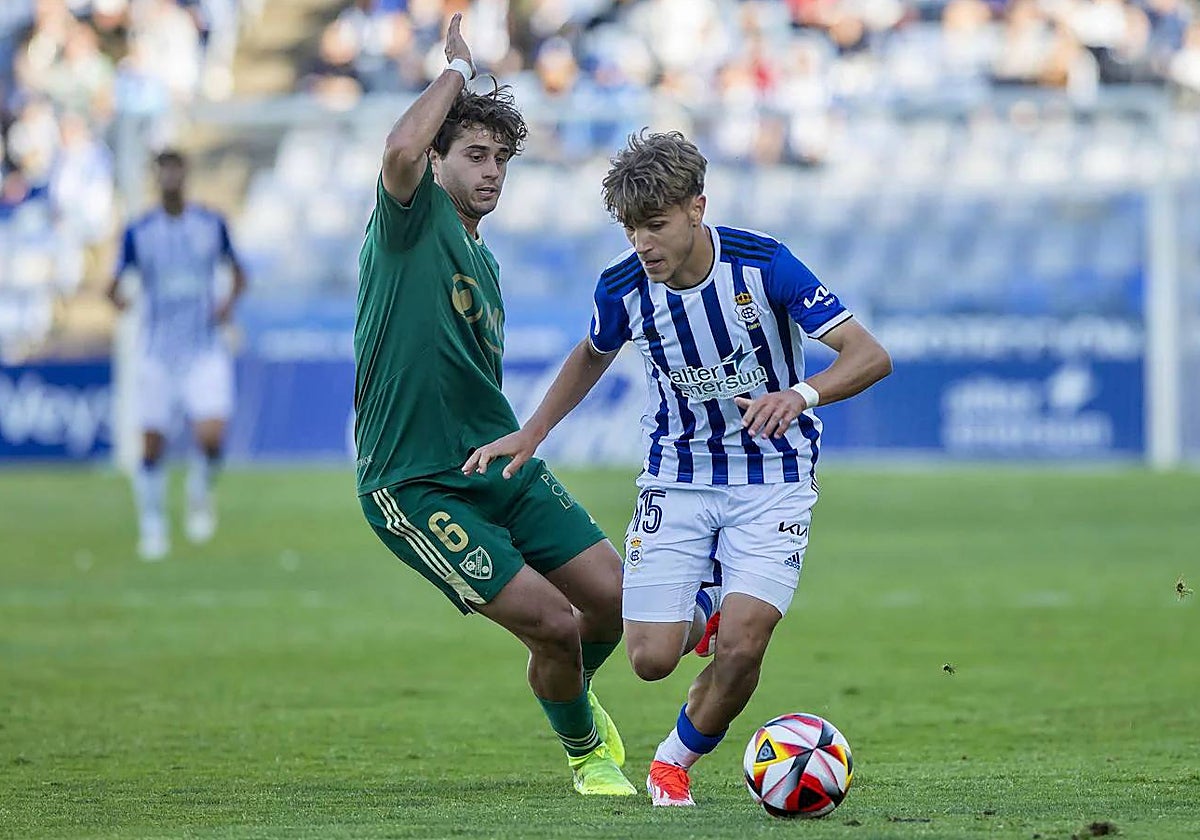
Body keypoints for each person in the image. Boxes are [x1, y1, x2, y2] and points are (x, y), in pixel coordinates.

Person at [464, 130, 893, 806]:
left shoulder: (764, 265)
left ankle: (673, 762)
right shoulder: (624, 285)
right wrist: (534, 430)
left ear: (697, 208)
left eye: (656, 224)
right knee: (650, 659)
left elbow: (869, 355)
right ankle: (709, 598)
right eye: (632, 228)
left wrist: (799, 395)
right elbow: (593, 352)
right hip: (678, 475)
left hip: (773, 477)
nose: (643, 243)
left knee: (744, 646)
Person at [353, 15, 634, 796]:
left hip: (496, 462)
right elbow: (398, 151)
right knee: (552, 624)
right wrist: (456, 72)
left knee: (614, 603)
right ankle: (587, 753)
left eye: (502, 159)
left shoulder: (489, 266)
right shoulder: (410, 223)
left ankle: (564, 682)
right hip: (416, 481)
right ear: (438, 159)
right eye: (475, 154)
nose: (492, 171)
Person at [108, 148, 246, 561]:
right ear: (156, 177)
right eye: (163, 171)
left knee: (212, 435)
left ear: (185, 174)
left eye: (175, 170)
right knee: (151, 444)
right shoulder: (139, 231)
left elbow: (239, 272)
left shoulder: (210, 224)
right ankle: (152, 523)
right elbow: (113, 284)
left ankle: (199, 492)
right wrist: (119, 300)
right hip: (157, 352)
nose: (170, 178)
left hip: (204, 348)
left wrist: (227, 304)